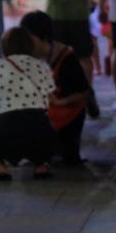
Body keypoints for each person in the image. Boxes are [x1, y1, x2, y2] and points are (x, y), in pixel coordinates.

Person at [0, 27, 58, 181]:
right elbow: (49, 101)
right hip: (42, 136)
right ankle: (40, 165)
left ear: (4, 46)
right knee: (41, 121)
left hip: (8, 133)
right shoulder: (42, 66)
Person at [21, 11, 92, 165]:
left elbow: (85, 93)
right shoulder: (25, 57)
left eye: (29, 40)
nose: (25, 44)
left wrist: (61, 102)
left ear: (44, 38)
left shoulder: (66, 58)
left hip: (67, 111)